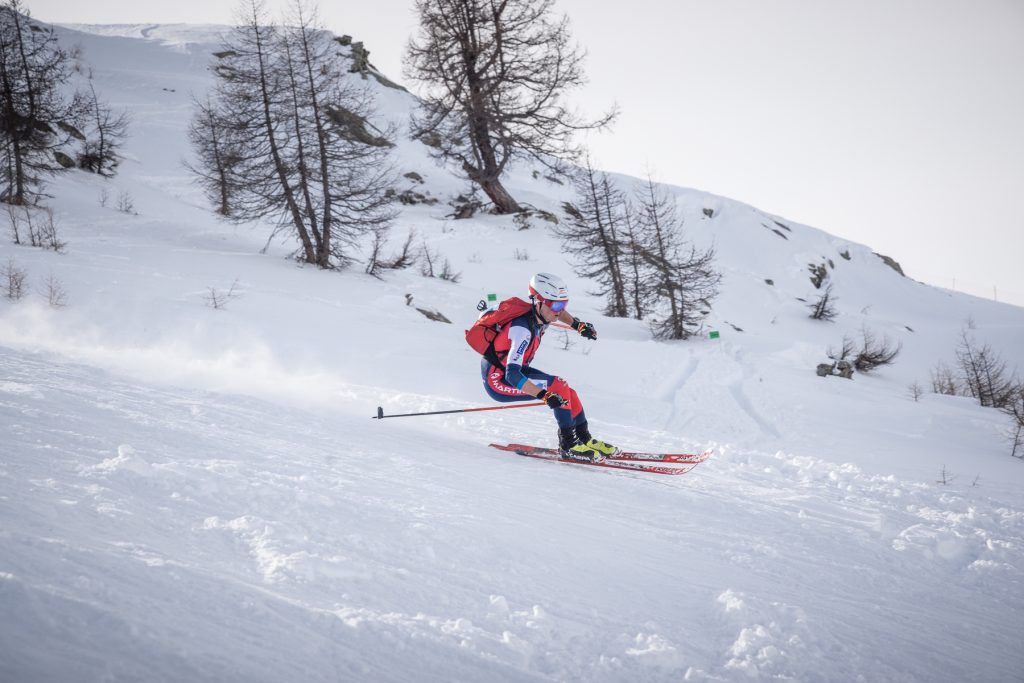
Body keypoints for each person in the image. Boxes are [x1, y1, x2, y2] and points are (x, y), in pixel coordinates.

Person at [479, 272, 619, 461]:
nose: (559, 310)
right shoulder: (522, 330)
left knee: (569, 392)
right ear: (539, 301)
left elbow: (560, 314)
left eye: (564, 304)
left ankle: (585, 439)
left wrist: (577, 325)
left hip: (513, 371)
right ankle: (568, 445)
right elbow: (512, 375)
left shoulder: (542, 315)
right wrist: (544, 395)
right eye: (555, 305)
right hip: (498, 380)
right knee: (558, 387)